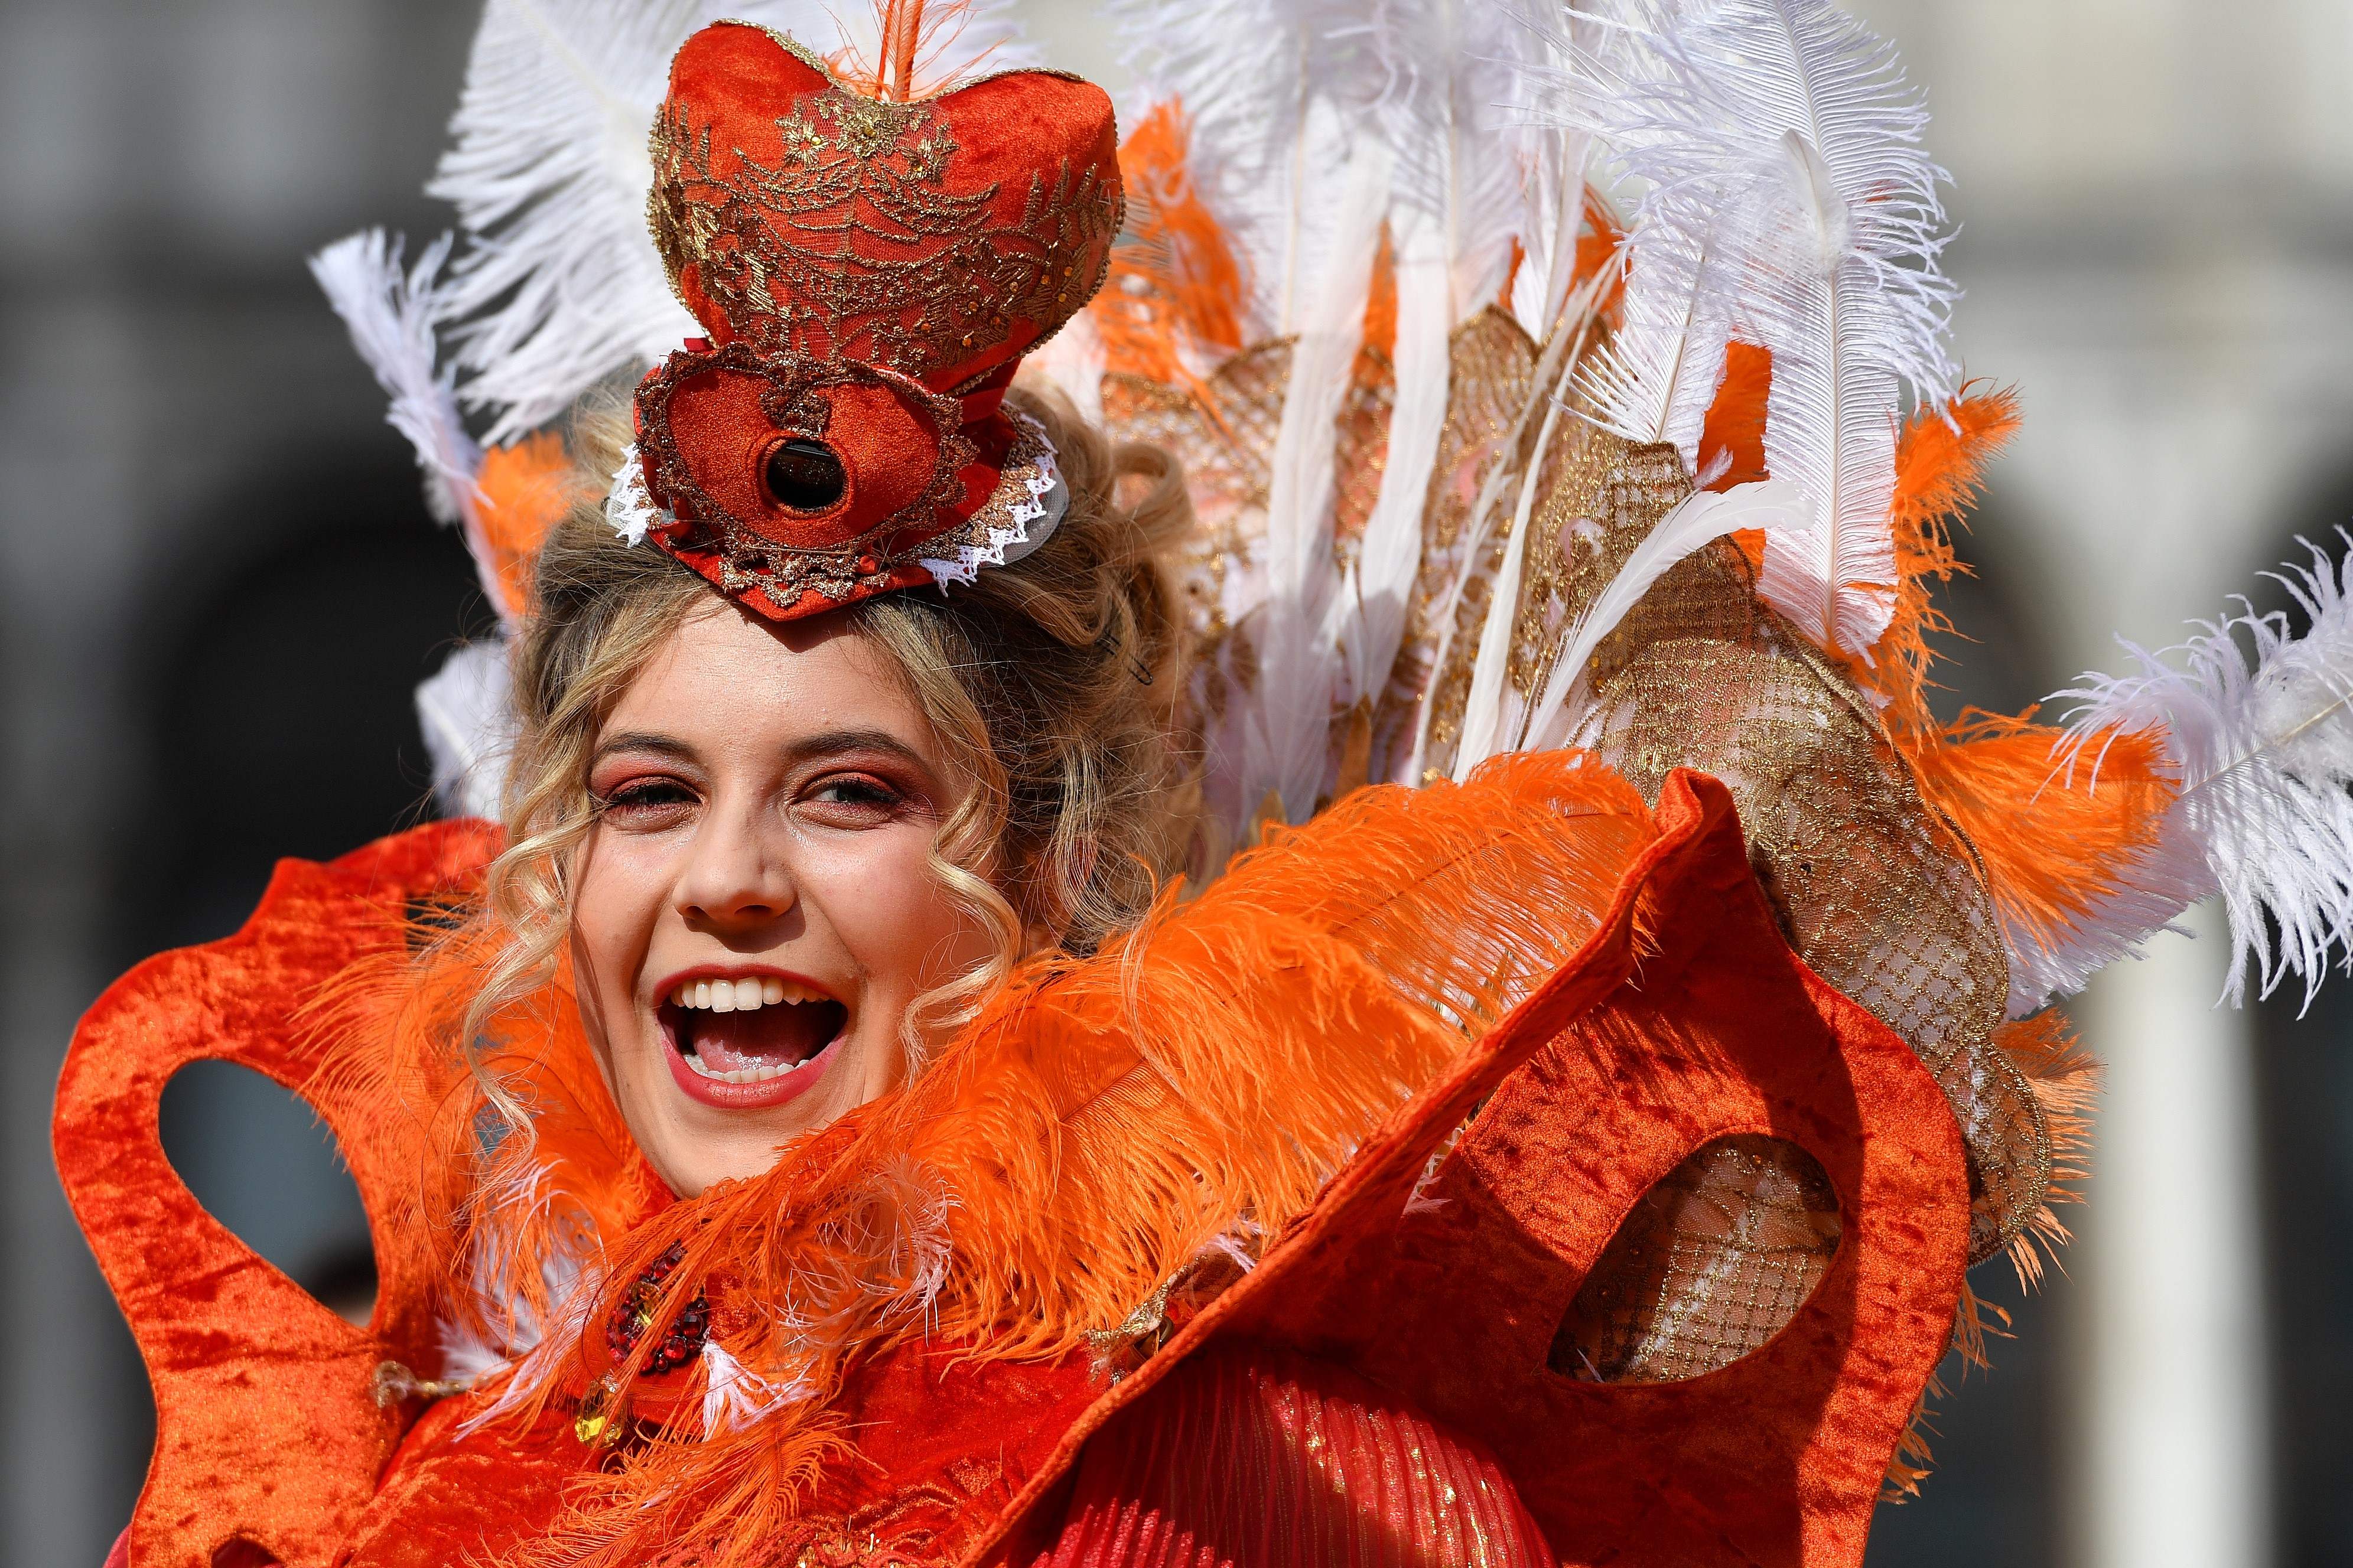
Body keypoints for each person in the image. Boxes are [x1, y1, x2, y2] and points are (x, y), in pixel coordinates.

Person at [55, 2, 2353, 1566]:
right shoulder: (460, 1444)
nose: (725, 883)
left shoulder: (1264, 1480)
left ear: (1036, 865)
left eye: (849, 796)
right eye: (653, 797)